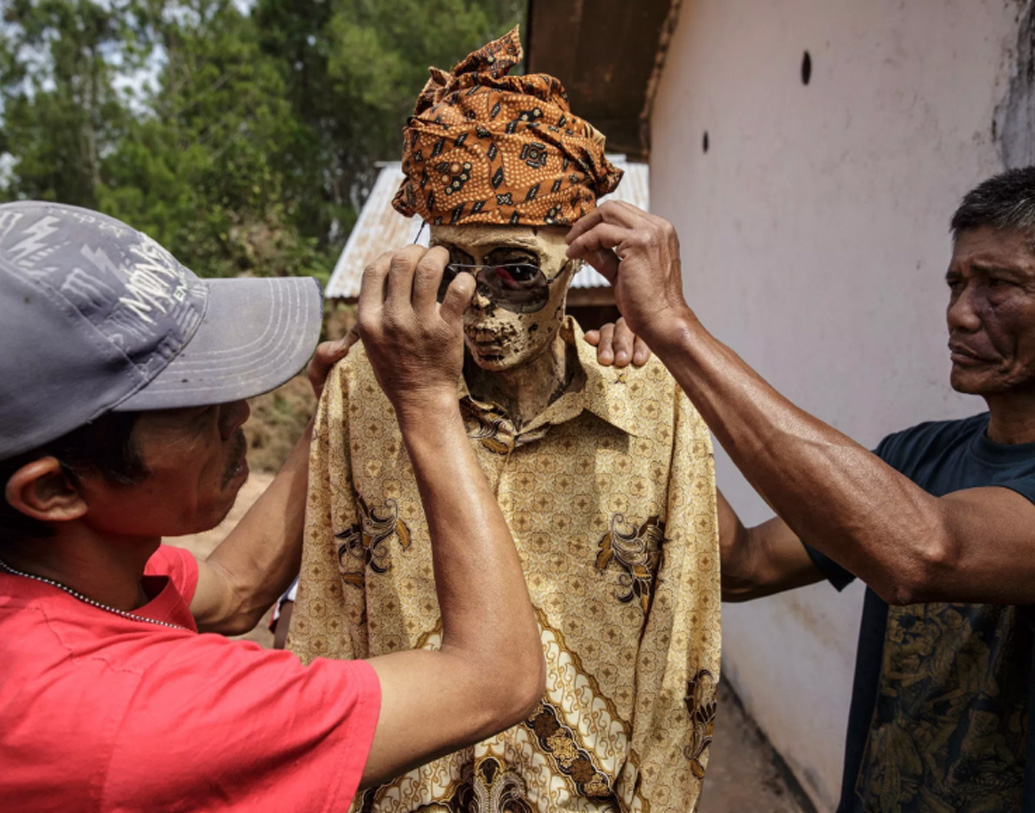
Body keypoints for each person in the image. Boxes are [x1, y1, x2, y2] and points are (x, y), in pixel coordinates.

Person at [287, 28, 722, 812]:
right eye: (455, 268)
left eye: (516, 270)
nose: (477, 303)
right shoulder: (365, 391)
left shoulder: (653, 402)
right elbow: (324, 606)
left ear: (577, 263)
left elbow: (681, 643)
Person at [0, 200, 545, 810]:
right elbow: (498, 679)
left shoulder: (58, 581)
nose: (240, 414)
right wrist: (425, 397)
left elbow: (235, 590)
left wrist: (330, 417)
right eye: (192, 410)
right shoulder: (144, 713)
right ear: (53, 491)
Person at [568, 167, 1035, 811]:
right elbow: (744, 566)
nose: (959, 313)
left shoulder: (923, 510)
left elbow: (923, 552)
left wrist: (677, 329)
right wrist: (642, 402)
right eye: (957, 283)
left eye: (1000, 287)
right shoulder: (920, 456)